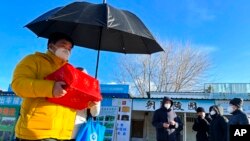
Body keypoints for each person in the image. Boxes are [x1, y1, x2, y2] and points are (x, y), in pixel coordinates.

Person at [11, 32, 99, 141]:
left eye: (70, 48)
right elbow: (18, 84)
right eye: (63, 45)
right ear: (51, 46)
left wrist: (87, 102)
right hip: (36, 133)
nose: (67, 49)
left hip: (64, 135)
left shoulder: (71, 71)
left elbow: (73, 98)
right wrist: (50, 88)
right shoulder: (33, 60)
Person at [71, 67, 101, 139]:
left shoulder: (91, 90)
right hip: (61, 130)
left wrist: (95, 103)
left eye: (84, 76)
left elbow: (95, 113)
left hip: (80, 131)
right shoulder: (66, 87)